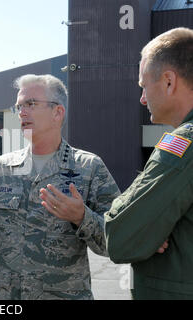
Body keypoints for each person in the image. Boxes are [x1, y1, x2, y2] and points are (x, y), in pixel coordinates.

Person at [0, 74, 120, 300]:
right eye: (19, 106)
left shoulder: (89, 168)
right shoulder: (1, 169)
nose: (22, 112)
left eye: (30, 104)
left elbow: (116, 241)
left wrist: (81, 217)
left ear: (57, 113)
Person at [104, 27, 193, 299]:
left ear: (168, 81)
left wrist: (144, 230)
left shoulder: (183, 145)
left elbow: (121, 237)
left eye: (144, 86)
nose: (142, 99)